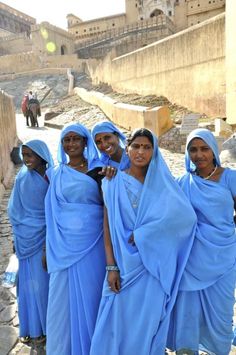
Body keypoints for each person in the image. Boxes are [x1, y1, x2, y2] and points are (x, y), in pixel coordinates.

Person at [90, 128, 197, 354]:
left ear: (154, 151)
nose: (141, 152)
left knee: (147, 328)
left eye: (147, 147)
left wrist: (145, 234)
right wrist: (111, 267)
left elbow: (185, 219)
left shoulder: (164, 184)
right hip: (124, 268)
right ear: (127, 149)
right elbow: (107, 228)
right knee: (115, 326)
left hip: (154, 270)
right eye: (136, 146)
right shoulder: (112, 181)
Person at [167, 128, 236, 354]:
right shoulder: (181, 182)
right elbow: (165, 216)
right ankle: (187, 349)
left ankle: (218, 349)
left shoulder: (230, 178)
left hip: (223, 257)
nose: (199, 155)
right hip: (191, 260)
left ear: (214, 150)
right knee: (189, 310)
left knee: (222, 312)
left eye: (204, 149)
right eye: (193, 150)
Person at [45, 123, 106, 355]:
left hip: (94, 243)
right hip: (61, 248)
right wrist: (45, 248)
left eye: (75, 139)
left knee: (92, 297)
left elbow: (108, 207)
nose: (71, 144)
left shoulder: (100, 170)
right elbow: (50, 214)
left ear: (85, 142)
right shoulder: (55, 174)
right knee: (61, 301)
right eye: (66, 140)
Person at [8, 139, 54, 344]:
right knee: (28, 286)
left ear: (41, 155)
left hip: (46, 239)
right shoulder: (22, 178)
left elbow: (55, 208)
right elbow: (14, 209)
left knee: (44, 286)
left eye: (30, 155)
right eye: (23, 155)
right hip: (26, 240)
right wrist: (18, 234)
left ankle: (48, 325)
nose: (26, 159)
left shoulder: (52, 177)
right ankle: (32, 327)